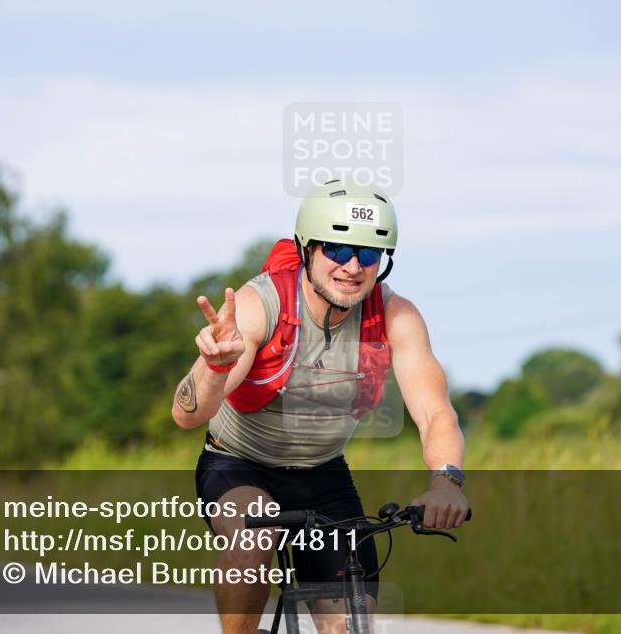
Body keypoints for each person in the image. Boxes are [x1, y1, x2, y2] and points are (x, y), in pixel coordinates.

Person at [171, 180, 469, 634]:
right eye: (337, 249)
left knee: (348, 624)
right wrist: (213, 367)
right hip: (239, 465)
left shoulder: (396, 315)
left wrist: (446, 481)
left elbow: (435, 414)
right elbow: (187, 414)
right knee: (254, 535)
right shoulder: (259, 305)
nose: (352, 267)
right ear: (306, 249)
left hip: (323, 474)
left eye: (368, 254)